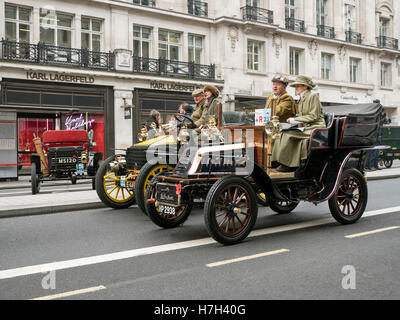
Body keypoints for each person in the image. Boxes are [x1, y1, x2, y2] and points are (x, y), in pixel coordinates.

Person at [272, 75, 326, 172]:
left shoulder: (313, 96)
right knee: (280, 133)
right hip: (307, 128)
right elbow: (303, 117)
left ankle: (287, 164)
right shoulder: (302, 97)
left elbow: (314, 116)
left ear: (305, 86)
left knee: (287, 135)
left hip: (316, 128)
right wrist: (294, 121)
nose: (295, 88)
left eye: (298, 86)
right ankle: (276, 161)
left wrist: (294, 120)